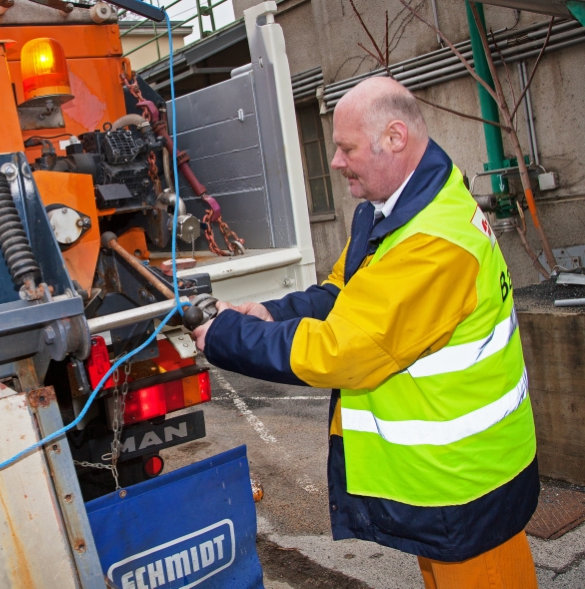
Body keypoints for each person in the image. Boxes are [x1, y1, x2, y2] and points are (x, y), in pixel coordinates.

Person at [192, 77, 539, 589]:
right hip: (441, 483)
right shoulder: (397, 212)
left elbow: (342, 352)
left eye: (346, 147)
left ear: (395, 138)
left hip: (464, 487)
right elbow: (344, 292)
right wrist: (268, 313)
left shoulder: (434, 246)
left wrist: (225, 336)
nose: (334, 161)